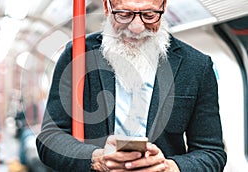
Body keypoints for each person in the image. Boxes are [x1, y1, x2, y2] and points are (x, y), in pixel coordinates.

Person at [36, 0, 227, 171]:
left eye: (149, 15)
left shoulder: (196, 65)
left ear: (164, 6)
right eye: (124, 14)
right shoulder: (78, 55)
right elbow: (50, 138)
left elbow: (212, 152)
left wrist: (169, 167)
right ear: (106, 7)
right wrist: (97, 159)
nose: (136, 27)